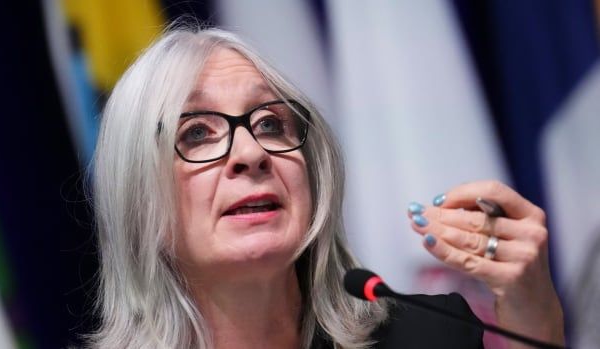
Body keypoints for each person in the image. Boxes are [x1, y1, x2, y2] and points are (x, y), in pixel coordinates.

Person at [87, 25, 565, 348]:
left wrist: (532, 311)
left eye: (271, 124)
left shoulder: (431, 335)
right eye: (195, 132)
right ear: (137, 195)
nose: (252, 153)